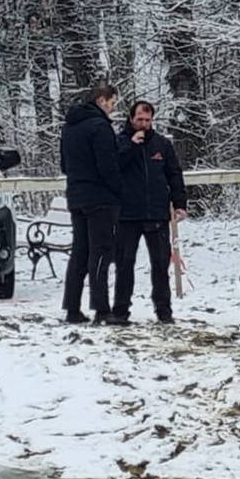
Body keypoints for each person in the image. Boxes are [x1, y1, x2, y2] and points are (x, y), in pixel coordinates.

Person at [112, 100, 188, 324]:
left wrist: (180, 203)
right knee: (125, 264)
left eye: (147, 120)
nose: (143, 124)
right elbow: (113, 168)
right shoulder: (119, 142)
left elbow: (174, 174)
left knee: (160, 264)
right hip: (127, 214)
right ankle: (120, 311)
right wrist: (131, 146)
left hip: (156, 213)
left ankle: (164, 311)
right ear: (131, 119)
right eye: (139, 120)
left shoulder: (162, 144)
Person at [60, 81, 123, 323]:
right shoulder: (100, 127)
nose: (113, 108)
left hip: (76, 196)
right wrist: (118, 190)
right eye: (112, 103)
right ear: (102, 100)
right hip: (100, 198)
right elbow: (107, 165)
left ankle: (72, 306)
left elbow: (64, 165)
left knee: (80, 252)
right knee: (101, 252)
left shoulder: (69, 127)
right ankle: (101, 308)